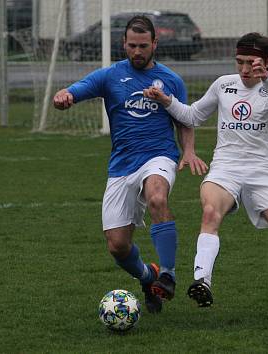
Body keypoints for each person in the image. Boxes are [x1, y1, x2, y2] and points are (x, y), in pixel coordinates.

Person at [143, 32, 268, 319]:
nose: (244, 70)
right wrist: (166, 100)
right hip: (226, 168)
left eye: (251, 63)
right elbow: (193, 116)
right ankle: (202, 280)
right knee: (210, 212)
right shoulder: (224, 85)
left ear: (267, 62)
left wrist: (267, 79)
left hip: (265, 172)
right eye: (239, 62)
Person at [52, 15, 207, 313]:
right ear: (124, 43)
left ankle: (168, 274)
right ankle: (148, 278)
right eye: (132, 45)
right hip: (122, 165)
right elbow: (78, 88)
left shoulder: (171, 80)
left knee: (157, 196)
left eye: (144, 46)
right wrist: (65, 95)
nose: (138, 51)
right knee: (118, 246)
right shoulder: (110, 76)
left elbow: (184, 119)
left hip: (159, 155)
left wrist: (188, 151)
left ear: (155, 44)